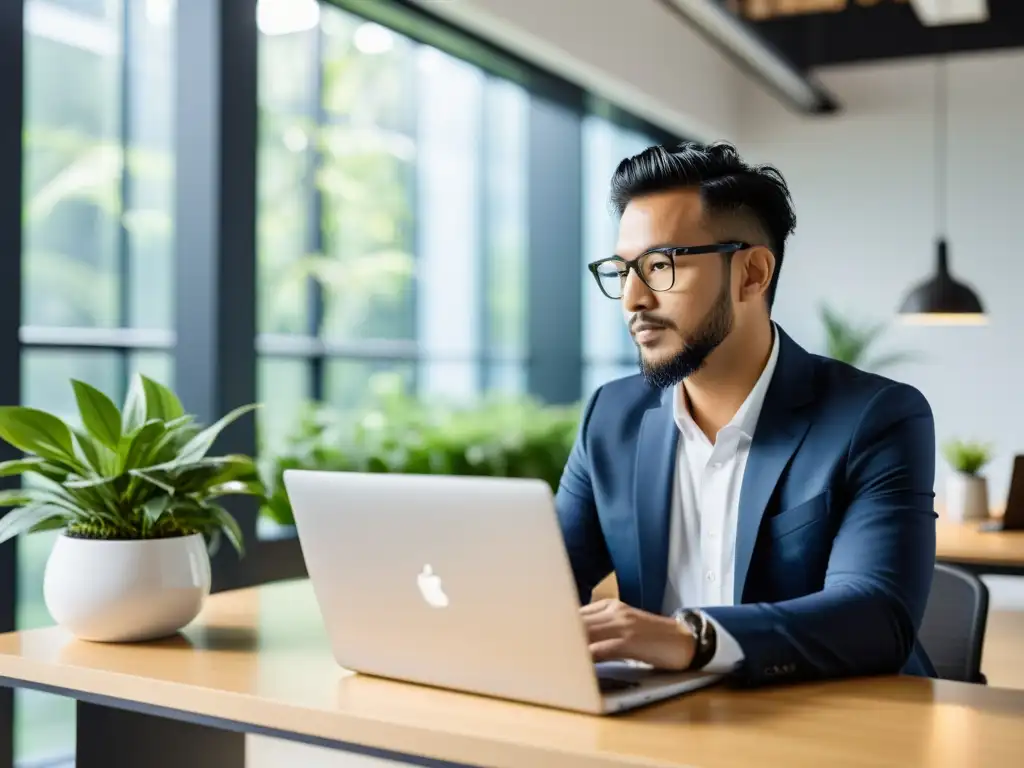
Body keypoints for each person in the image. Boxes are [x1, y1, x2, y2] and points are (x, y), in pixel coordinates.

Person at [558, 140, 937, 686]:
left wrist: (691, 638)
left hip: (832, 722)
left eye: (660, 266)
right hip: (660, 718)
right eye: (623, 271)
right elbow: (544, 581)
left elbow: (876, 614)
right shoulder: (611, 416)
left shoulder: (876, 416)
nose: (633, 299)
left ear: (752, 273)